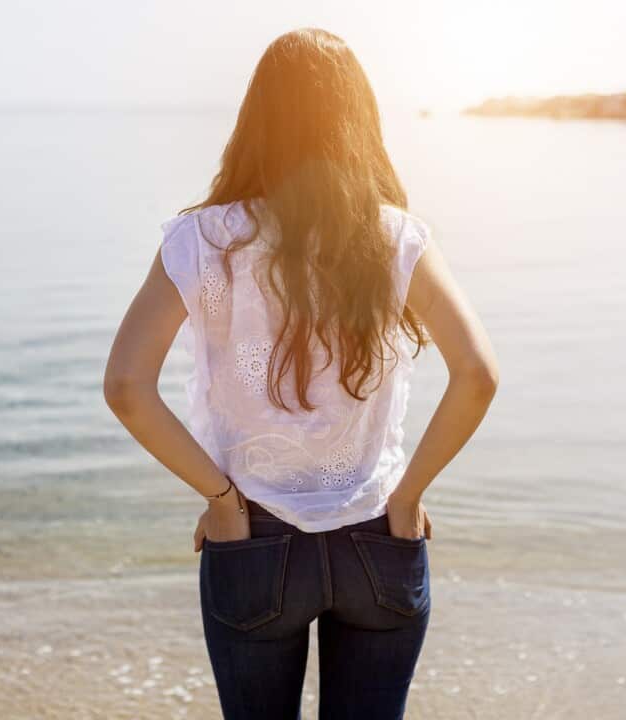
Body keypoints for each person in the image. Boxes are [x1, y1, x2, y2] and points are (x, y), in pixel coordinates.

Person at [104, 27, 498, 720]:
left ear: (256, 120)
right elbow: (477, 375)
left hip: (251, 539)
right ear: (359, 121)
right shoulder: (394, 235)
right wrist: (406, 497)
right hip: (380, 534)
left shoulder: (201, 240)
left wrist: (222, 499)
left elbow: (127, 388)